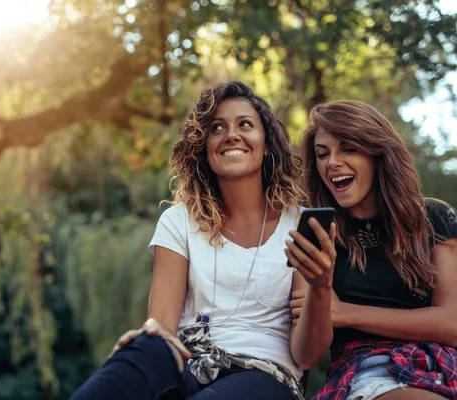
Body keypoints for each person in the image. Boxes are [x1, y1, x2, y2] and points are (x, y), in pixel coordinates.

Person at [70, 81, 335, 400]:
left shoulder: (300, 225)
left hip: (263, 375)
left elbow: (306, 356)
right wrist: (148, 338)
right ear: (204, 148)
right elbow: (162, 324)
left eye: (245, 125)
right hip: (187, 363)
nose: (231, 135)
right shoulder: (178, 221)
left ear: (266, 145)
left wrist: (321, 286)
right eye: (217, 128)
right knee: (143, 350)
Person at [288, 100, 457, 400]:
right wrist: (321, 287)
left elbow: (452, 323)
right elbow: (305, 356)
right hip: (367, 369)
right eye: (322, 154)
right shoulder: (317, 233)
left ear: (379, 153)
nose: (332, 162)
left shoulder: (433, 218)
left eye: (348, 149)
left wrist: (345, 313)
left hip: (444, 363)